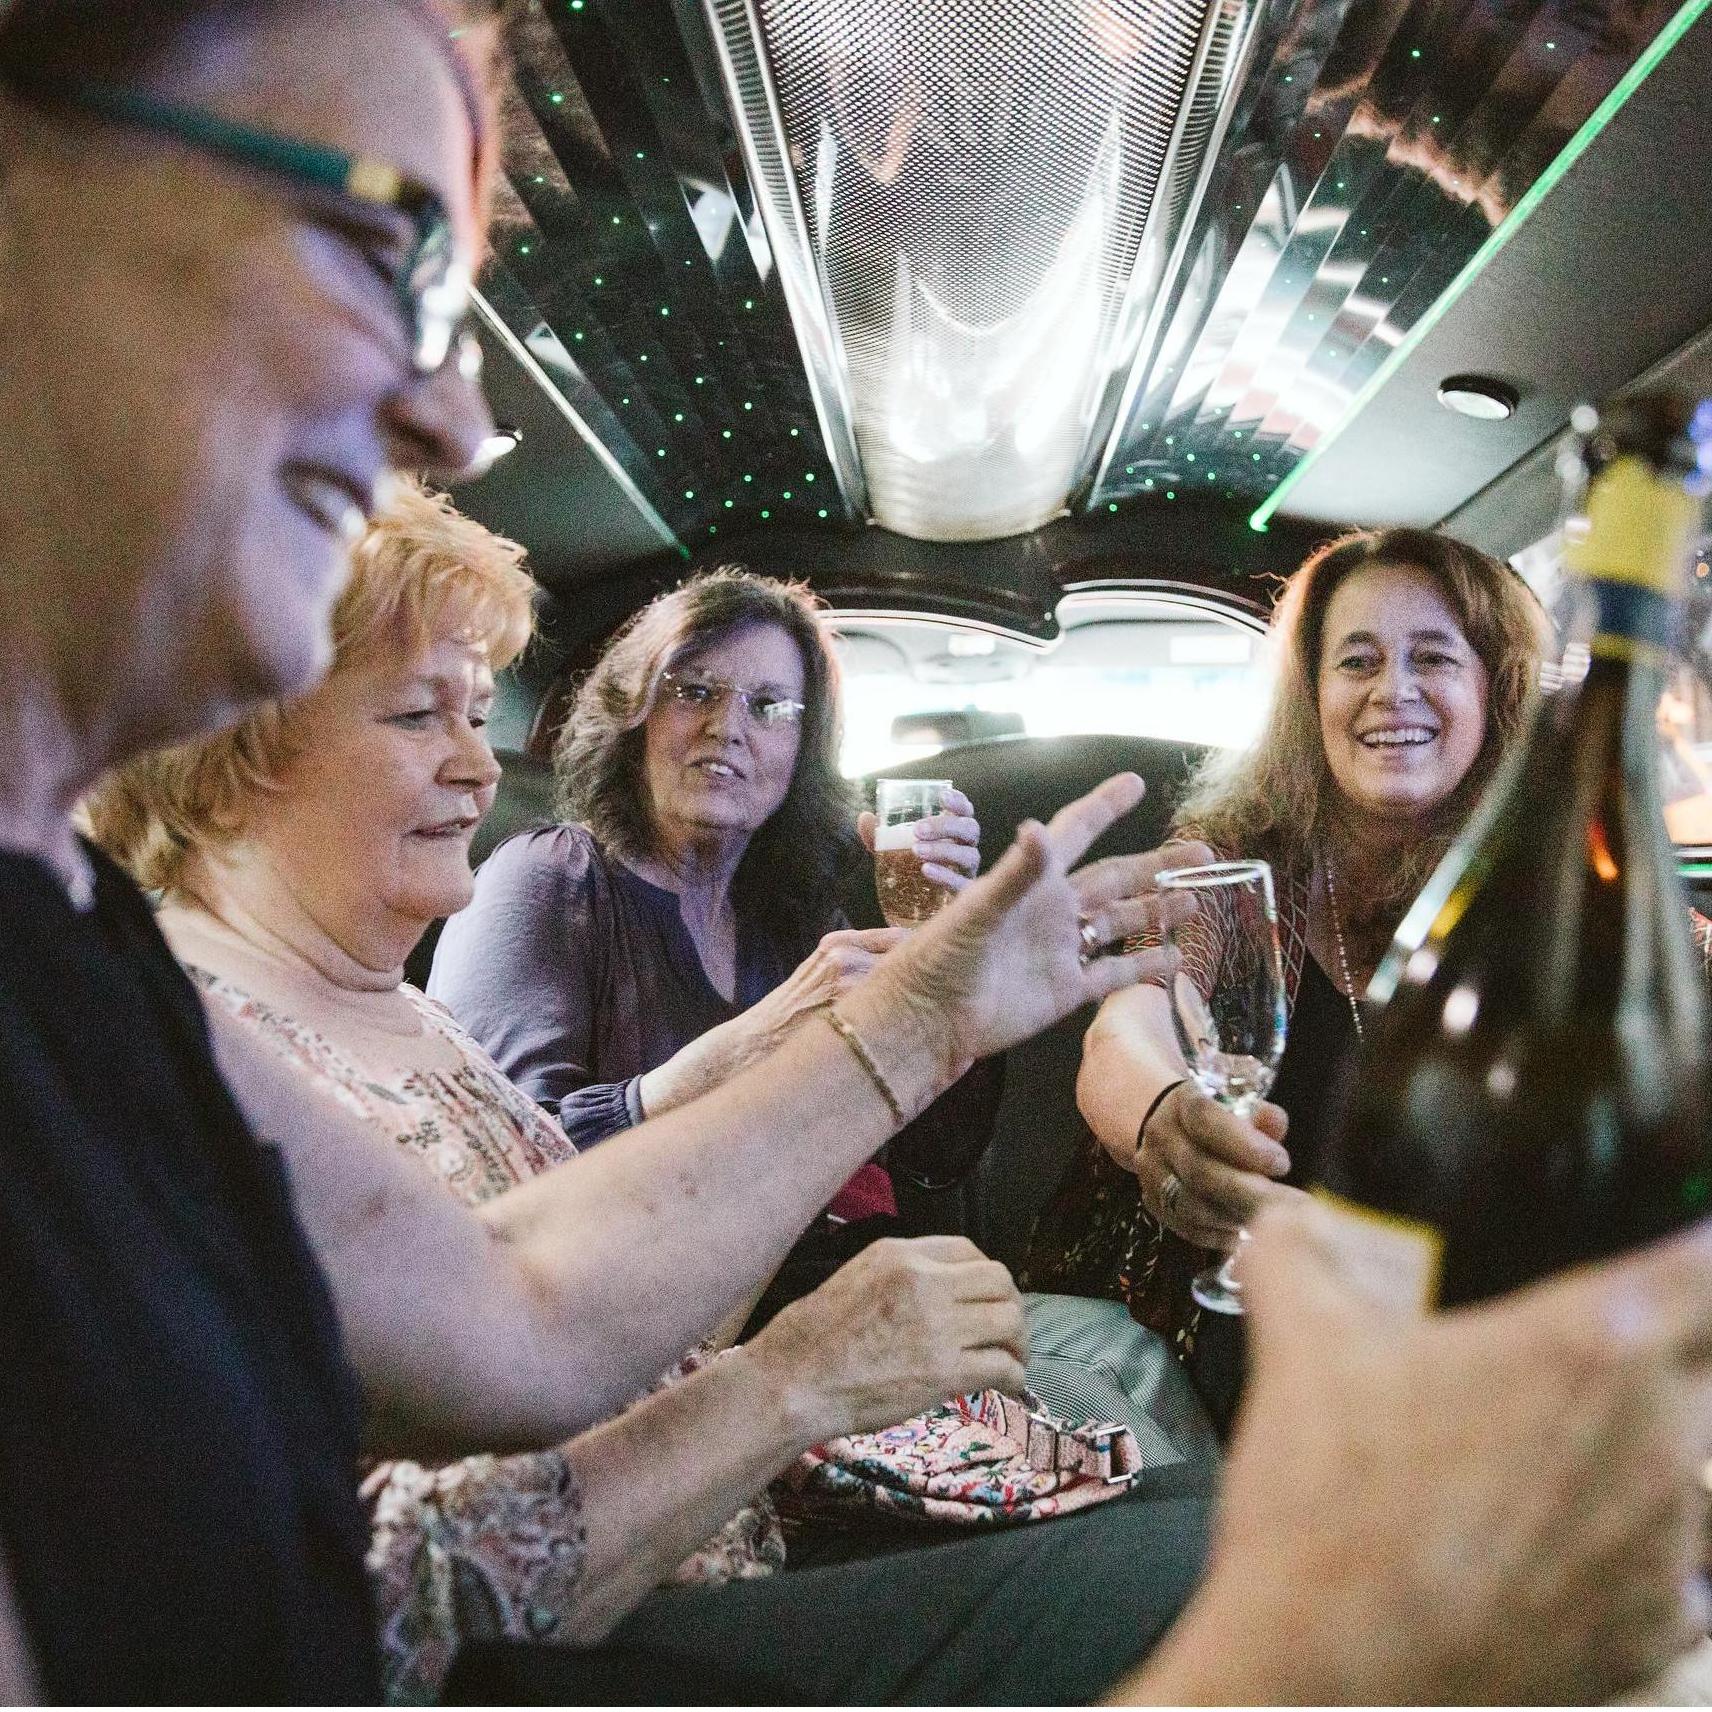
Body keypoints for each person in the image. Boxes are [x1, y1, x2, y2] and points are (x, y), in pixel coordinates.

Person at [1, 3, 1709, 1704]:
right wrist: (797, 1384)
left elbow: (515, 1301)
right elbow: (317, 1631)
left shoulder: (86, 955)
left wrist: (927, 1011)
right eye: (391, 250)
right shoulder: (414, 921)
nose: (452, 414)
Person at [84, 479, 1162, 1701]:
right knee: (1193, 1565)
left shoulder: (405, 1012)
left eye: (476, 714)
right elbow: (371, 1596)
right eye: (414, 716)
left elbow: (620, 1335)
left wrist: (931, 1034)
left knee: (1145, 1453)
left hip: (737, 1527)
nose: (477, 769)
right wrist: (795, 1374)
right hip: (605, 1643)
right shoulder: (190, 1041)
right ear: (232, 740)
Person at [429, 566, 1000, 1325]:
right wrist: (761, 1041)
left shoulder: (789, 920)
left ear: (802, 750)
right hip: (618, 1341)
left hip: (805, 1303)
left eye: (770, 707)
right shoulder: (550, 878)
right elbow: (498, 1180)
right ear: (633, 715)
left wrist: (953, 968)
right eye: (693, 690)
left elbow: (934, 1160)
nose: (727, 727)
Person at [1025, 528, 1550, 1353]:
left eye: (1435, 659)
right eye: (1358, 661)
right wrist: (1166, 1118)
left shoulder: (1552, 892)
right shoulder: (1237, 858)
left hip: (1449, 1336)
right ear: (1312, 696)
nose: (1393, 691)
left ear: (1499, 691)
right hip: (1204, 1325)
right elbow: (1129, 1025)